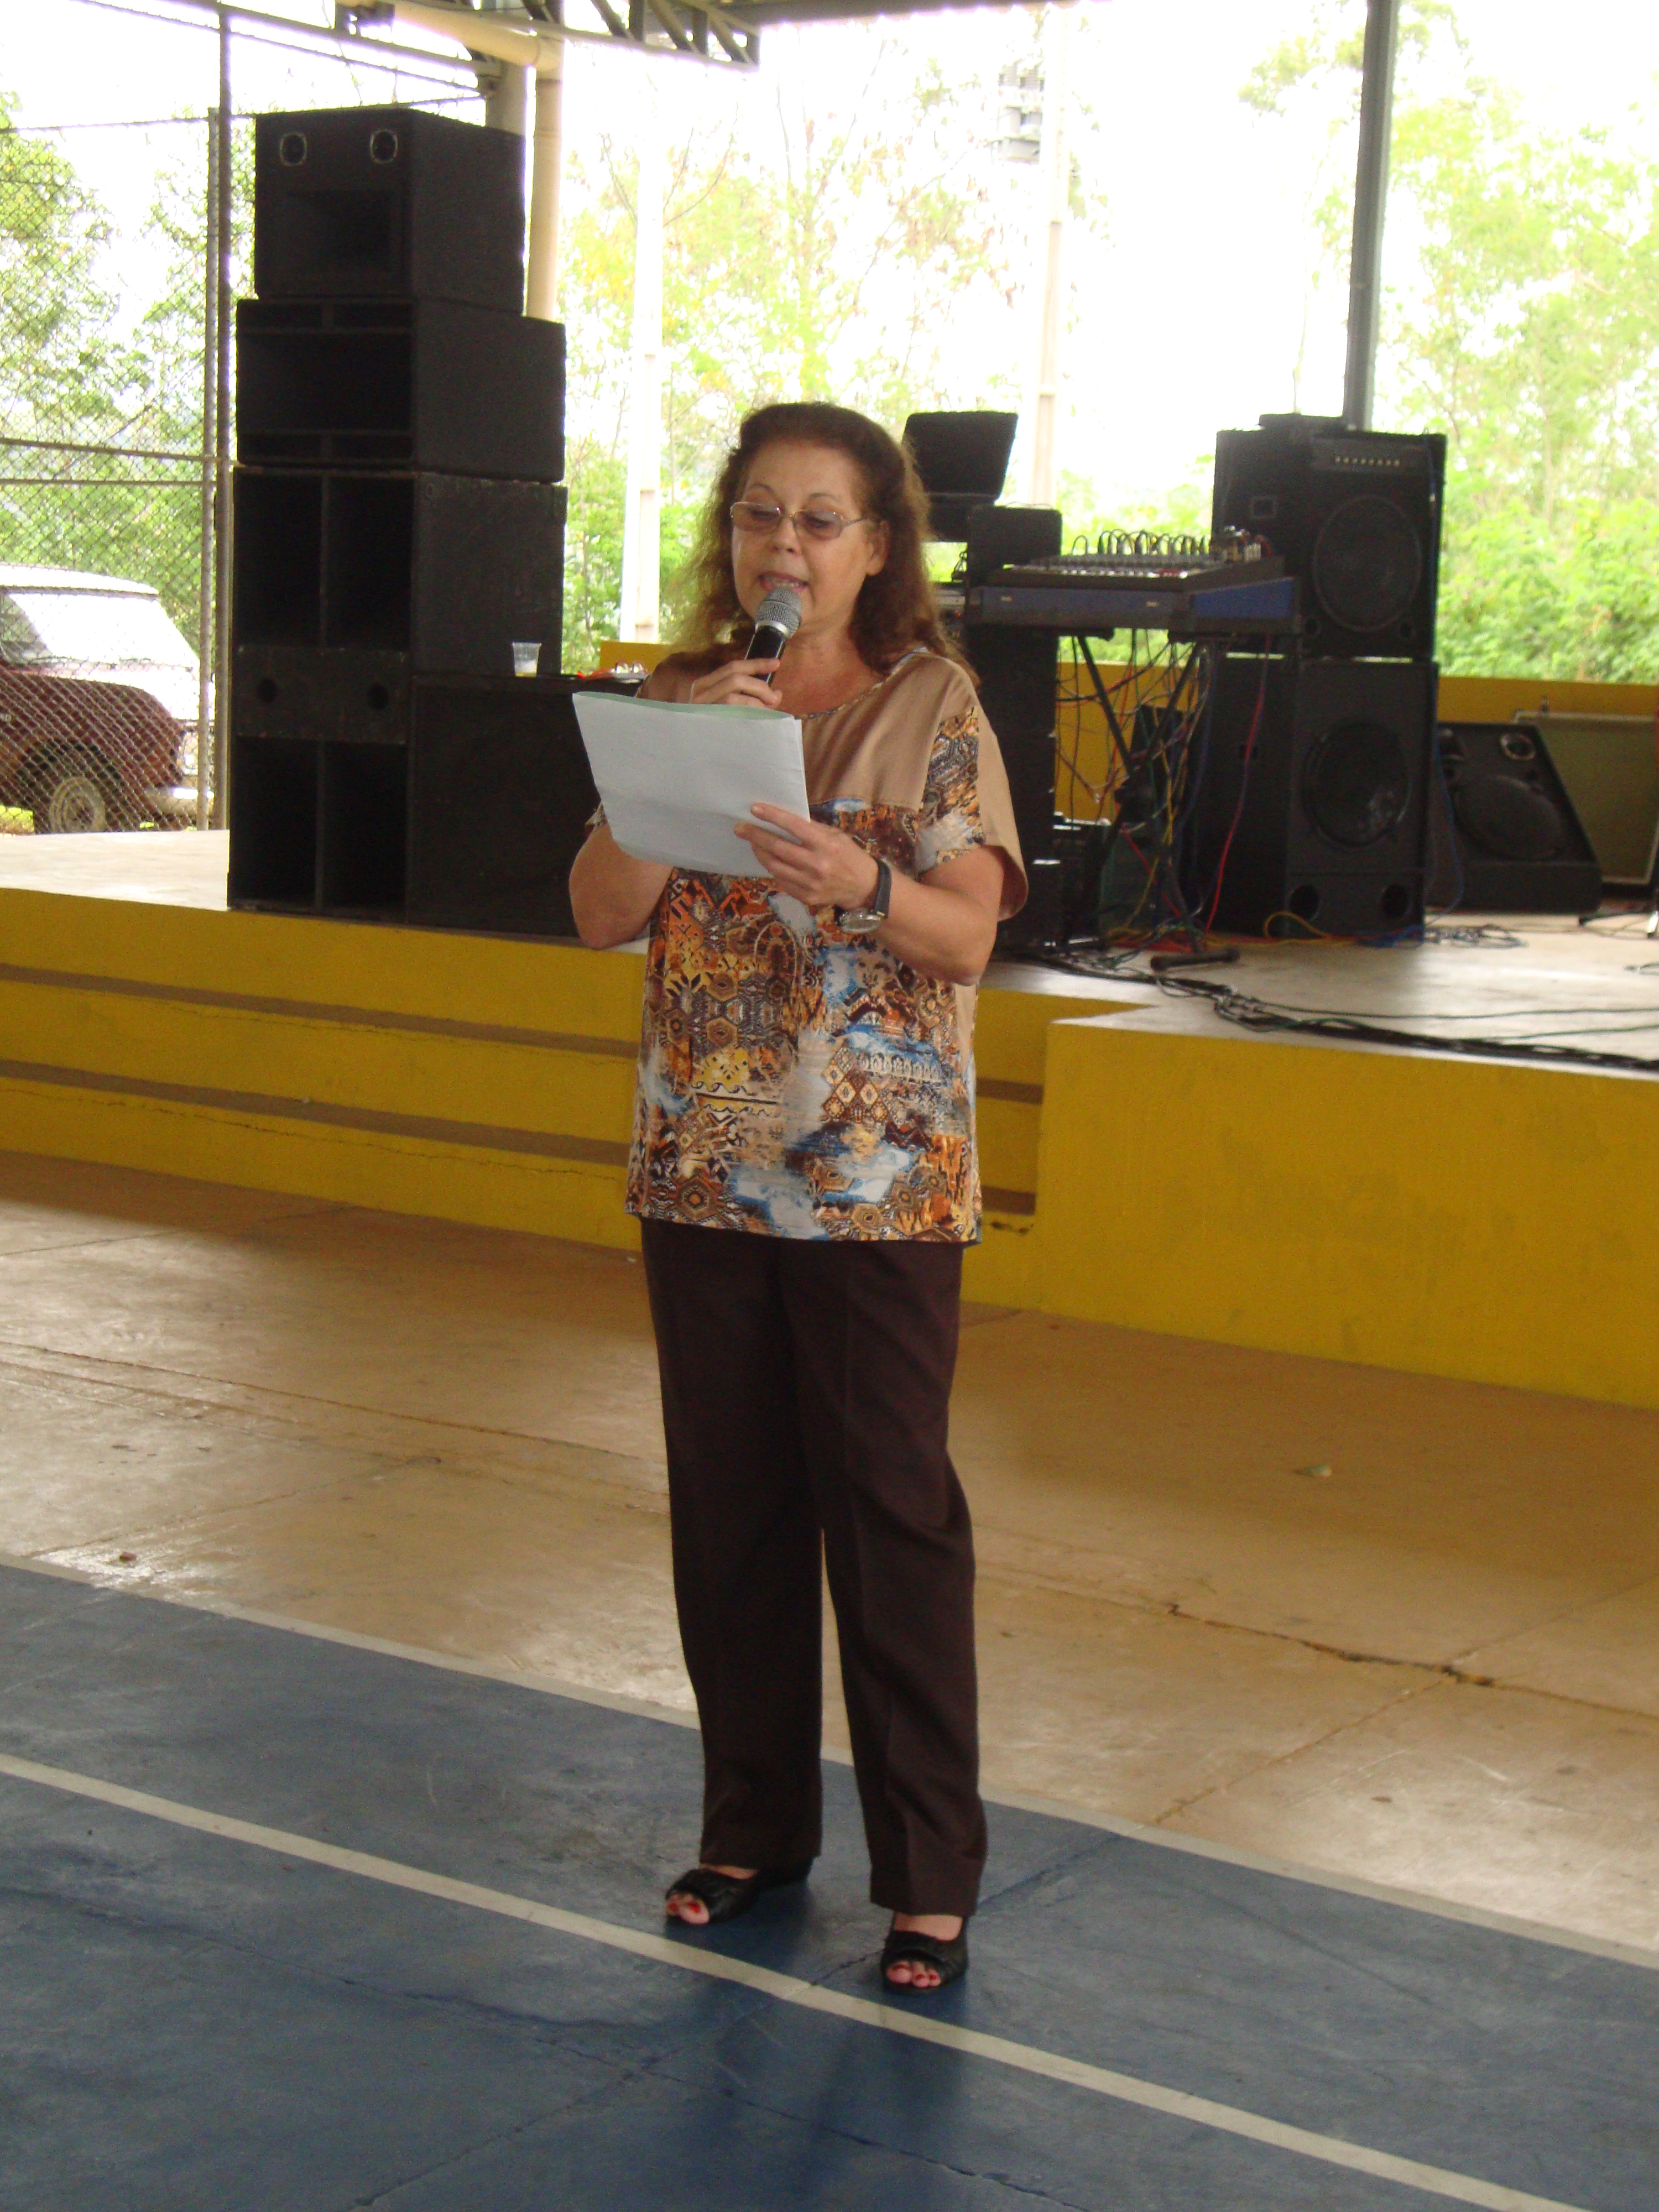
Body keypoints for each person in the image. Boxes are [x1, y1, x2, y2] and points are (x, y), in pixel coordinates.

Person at [568, 401, 1025, 1995]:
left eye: (821, 520)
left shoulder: (933, 707)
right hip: (704, 1168)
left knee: (890, 1517)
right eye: (762, 514)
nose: (786, 545)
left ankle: (929, 1877)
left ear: (877, 547)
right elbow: (597, 912)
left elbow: (969, 938)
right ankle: (753, 1831)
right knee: (732, 1513)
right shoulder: (683, 696)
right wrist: (678, 763)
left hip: (876, 1188)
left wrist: (865, 883)